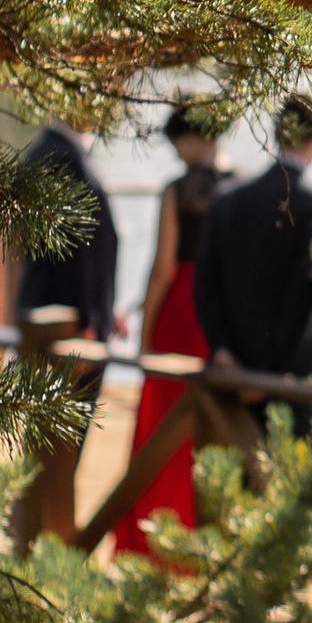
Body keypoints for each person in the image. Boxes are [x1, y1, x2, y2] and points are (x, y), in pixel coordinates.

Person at [120, 102, 224, 549]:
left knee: (162, 425)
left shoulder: (176, 190)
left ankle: (154, 540)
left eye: (179, 140)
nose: (177, 151)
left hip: (180, 312)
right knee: (215, 425)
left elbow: (162, 268)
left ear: (194, 137)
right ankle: (204, 541)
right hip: (219, 316)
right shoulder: (240, 186)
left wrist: (144, 336)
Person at [192, 92, 312, 387]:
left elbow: (205, 282)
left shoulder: (227, 198)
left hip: (229, 371)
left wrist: (221, 349)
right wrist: (270, 371)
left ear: (275, 131)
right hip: (289, 379)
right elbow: (303, 296)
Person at [16, 116, 121, 352]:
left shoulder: (55, 151)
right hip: (64, 321)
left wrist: (107, 308)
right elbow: (71, 249)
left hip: (63, 312)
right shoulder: (61, 159)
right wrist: (86, 319)